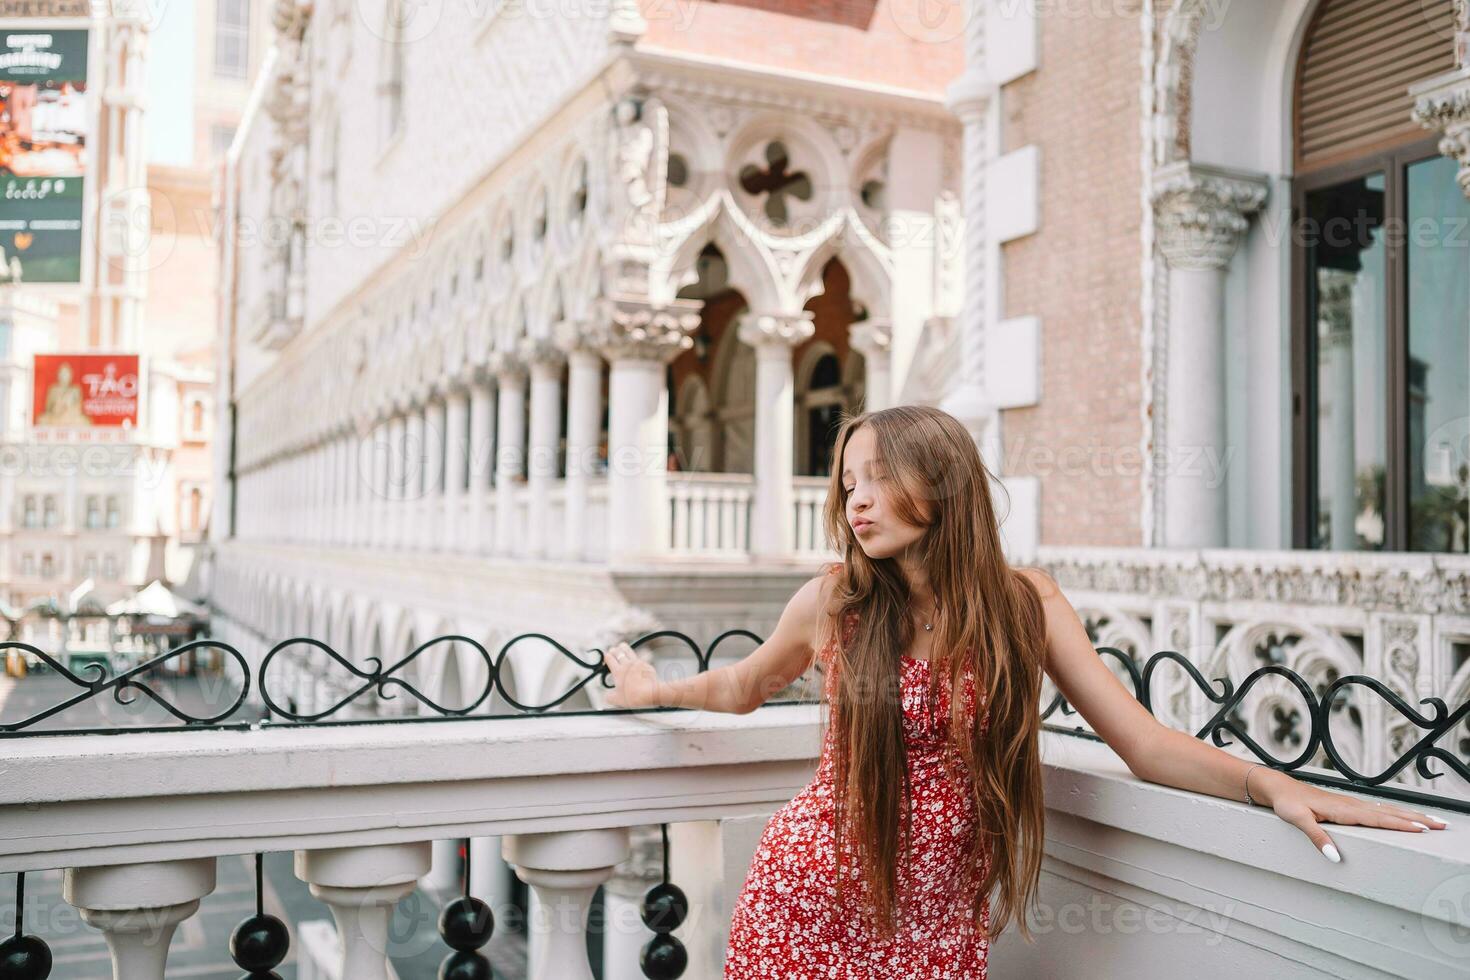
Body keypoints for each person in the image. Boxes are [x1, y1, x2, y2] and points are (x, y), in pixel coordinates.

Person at [601, 405, 1449, 977]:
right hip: (802, 900)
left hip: (938, 921)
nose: (855, 499)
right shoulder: (837, 602)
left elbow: (1144, 744)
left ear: (942, 479)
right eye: (847, 481)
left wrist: (1273, 784)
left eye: (877, 475)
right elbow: (746, 685)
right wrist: (649, 691)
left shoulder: (1025, 605)